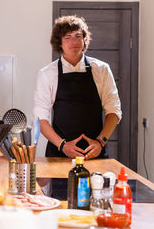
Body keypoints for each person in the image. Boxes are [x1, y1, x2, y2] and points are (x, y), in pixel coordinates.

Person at [33, 15, 121, 159]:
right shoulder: (47, 74)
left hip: (95, 153)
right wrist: (63, 145)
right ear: (59, 43)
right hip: (60, 153)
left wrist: (100, 141)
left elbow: (114, 111)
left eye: (78, 36)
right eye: (68, 37)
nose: (74, 41)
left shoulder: (101, 69)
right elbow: (40, 119)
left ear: (84, 40)